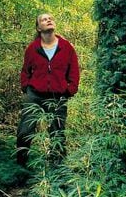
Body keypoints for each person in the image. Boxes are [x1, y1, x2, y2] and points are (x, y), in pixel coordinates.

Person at [17, 13, 80, 167]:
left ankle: (58, 168)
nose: (49, 20)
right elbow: (25, 71)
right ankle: (21, 166)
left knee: (57, 133)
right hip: (35, 95)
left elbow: (74, 71)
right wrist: (26, 87)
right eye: (44, 19)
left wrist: (70, 89)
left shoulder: (66, 47)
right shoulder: (33, 48)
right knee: (25, 131)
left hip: (58, 96)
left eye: (50, 18)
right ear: (39, 28)